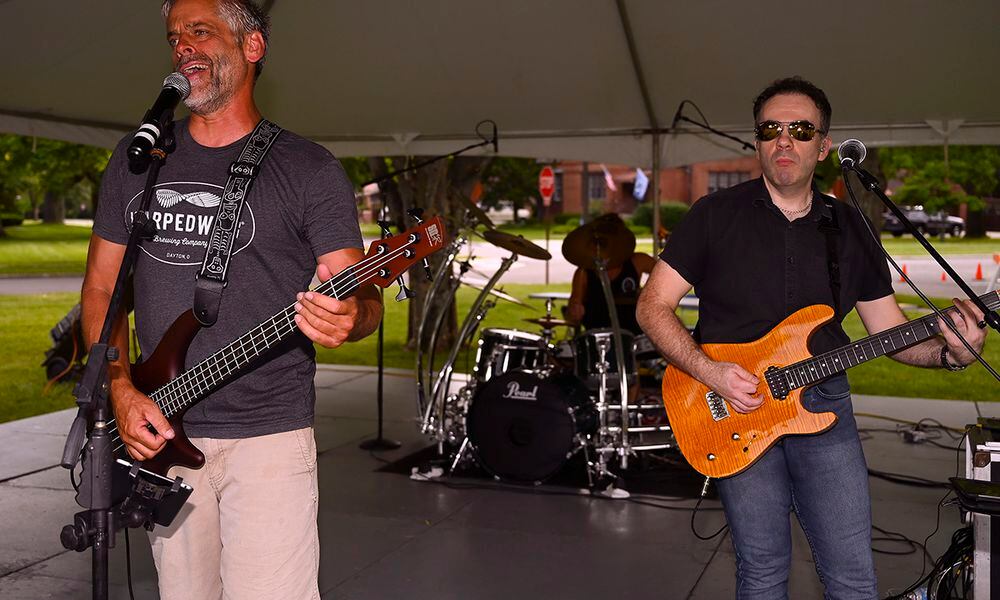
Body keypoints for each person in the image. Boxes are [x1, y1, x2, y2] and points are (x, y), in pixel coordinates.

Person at [636, 76, 988, 599]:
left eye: (801, 130)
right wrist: (710, 372)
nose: (784, 141)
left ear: (824, 147)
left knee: (852, 577)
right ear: (756, 140)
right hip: (730, 408)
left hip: (824, 410)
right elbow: (652, 306)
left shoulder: (850, 228)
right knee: (762, 572)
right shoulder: (714, 215)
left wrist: (950, 353)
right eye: (771, 129)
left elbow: (889, 333)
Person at [80, 1, 382, 598]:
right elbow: (100, 287)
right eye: (174, 37)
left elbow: (360, 293)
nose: (183, 47)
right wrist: (120, 389)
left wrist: (354, 313)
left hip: (267, 437)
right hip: (161, 430)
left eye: (201, 31)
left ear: (252, 47)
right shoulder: (140, 159)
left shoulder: (307, 168)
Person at [565, 214, 656, 334]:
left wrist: (648, 293)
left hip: (634, 338)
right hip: (597, 338)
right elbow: (572, 314)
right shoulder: (583, 273)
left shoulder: (637, 261)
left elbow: (667, 276)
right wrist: (574, 312)